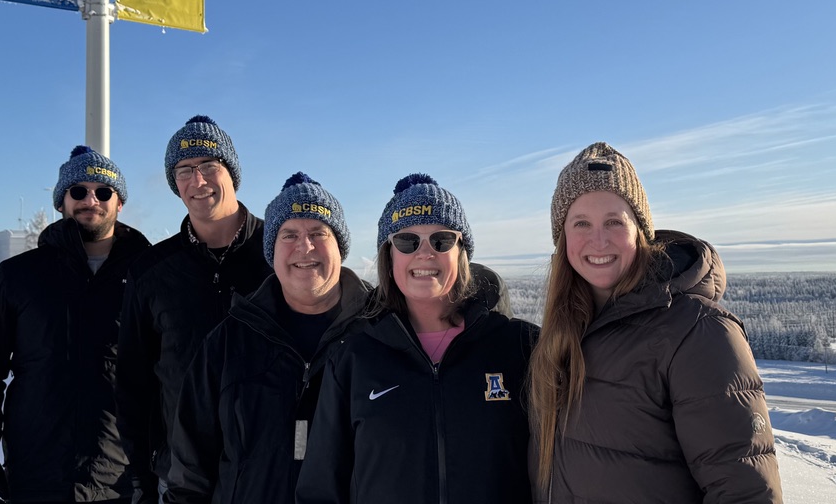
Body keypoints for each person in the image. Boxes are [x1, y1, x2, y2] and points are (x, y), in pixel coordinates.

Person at [529, 142, 783, 503]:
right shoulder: (564, 334)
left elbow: (745, 491)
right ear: (563, 236)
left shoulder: (698, 332)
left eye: (614, 222)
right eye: (581, 222)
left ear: (641, 231)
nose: (598, 240)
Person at [296, 174, 539, 504]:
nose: (425, 253)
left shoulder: (520, 347)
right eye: (408, 241)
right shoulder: (353, 360)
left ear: (460, 252)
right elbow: (320, 488)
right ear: (389, 255)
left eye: (441, 240)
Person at [0, 145, 152, 504]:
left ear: (119, 203)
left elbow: (171, 376)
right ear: (61, 202)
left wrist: (161, 467)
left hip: (124, 479)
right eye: (78, 191)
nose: (90, 200)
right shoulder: (18, 276)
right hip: (36, 476)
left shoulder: (150, 275)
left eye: (103, 191)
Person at [165, 172, 372, 504]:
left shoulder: (382, 335)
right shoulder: (228, 342)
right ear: (271, 251)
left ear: (340, 246)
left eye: (319, 232)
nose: (304, 247)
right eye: (288, 235)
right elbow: (191, 471)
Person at [117, 115, 273, 501]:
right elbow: (133, 380)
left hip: (270, 466)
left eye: (209, 166)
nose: (198, 181)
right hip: (184, 476)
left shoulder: (280, 253)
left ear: (231, 173)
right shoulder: (152, 270)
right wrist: (140, 472)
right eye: (184, 170)